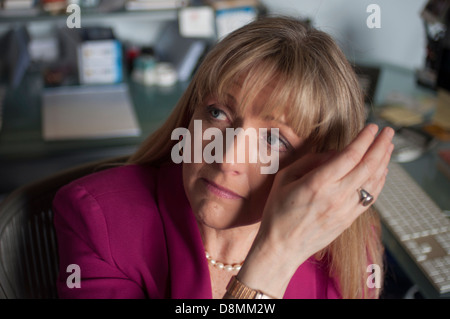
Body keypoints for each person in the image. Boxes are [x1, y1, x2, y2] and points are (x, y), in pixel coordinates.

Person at [53, 16, 394, 299]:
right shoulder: (99, 221)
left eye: (274, 139)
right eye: (218, 113)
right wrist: (273, 258)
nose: (227, 158)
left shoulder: (347, 246)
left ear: (320, 165)